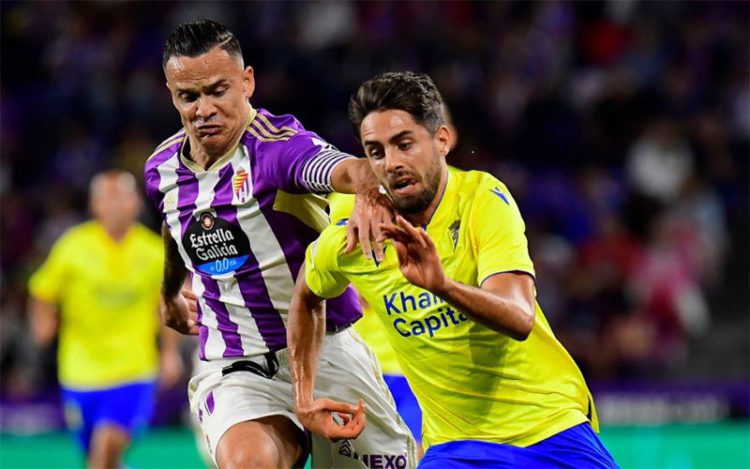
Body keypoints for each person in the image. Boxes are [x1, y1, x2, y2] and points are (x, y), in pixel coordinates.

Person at [288, 71, 619, 468]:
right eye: (376, 152)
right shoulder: (353, 232)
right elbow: (306, 295)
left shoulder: (481, 199)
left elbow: (518, 315)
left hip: (546, 426)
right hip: (454, 446)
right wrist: (303, 397)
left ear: (442, 140)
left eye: (404, 144)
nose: (391, 163)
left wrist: (442, 286)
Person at [145, 20, 416, 468]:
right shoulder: (162, 169)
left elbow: (351, 169)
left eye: (218, 90)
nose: (204, 109)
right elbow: (175, 225)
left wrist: (369, 190)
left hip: (327, 350)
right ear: (172, 94)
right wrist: (170, 289)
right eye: (189, 97)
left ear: (247, 81)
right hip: (236, 365)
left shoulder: (279, 149)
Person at [27, 170, 183, 469]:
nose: (114, 205)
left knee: (105, 452)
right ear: (94, 205)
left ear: (136, 203)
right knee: (96, 460)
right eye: (106, 198)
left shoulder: (153, 252)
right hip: (79, 371)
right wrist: (42, 322)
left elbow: (167, 306)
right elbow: (41, 290)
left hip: (133, 370)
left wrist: (170, 353)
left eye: (122, 196)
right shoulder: (72, 247)